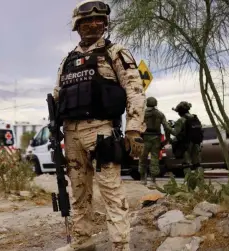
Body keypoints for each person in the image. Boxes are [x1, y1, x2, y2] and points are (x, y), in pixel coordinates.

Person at [53, 1, 146, 250]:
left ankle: (120, 244)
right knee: (78, 191)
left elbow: (134, 90)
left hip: (101, 131)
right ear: (77, 26)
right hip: (71, 134)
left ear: (105, 24)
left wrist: (134, 129)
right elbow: (58, 96)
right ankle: (82, 241)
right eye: (87, 21)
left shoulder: (114, 52)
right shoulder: (67, 61)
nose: (94, 25)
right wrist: (55, 129)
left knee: (111, 190)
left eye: (99, 21)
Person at [139, 97, 171, 189]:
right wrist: (166, 140)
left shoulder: (142, 114)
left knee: (142, 158)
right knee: (155, 159)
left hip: (144, 138)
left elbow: (137, 125)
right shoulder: (160, 114)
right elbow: (166, 127)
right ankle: (153, 180)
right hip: (156, 138)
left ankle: (142, 178)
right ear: (155, 103)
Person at [169, 101, 203, 175]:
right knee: (197, 163)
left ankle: (189, 182)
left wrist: (169, 127)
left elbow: (175, 133)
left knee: (186, 164)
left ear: (180, 112)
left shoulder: (181, 120)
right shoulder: (194, 117)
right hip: (196, 142)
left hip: (186, 144)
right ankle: (200, 181)